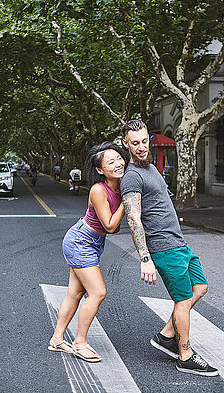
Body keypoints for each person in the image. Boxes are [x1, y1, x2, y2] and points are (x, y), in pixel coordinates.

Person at [120, 119, 218, 377]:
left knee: (200, 287)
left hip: (179, 243)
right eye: (135, 143)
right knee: (183, 300)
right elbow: (133, 218)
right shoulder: (131, 177)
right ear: (126, 145)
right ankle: (185, 355)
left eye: (144, 141)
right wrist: (145, 258)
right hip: (164, 248)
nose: (141, 147)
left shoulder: (150, 167)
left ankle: (166, 335)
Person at [48, 142, 127, 363]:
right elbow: (110, 225)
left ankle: (56, 339)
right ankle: (80, 343)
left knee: (74, 293)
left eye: (119, 158)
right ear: (100, 169)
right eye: (110, 162)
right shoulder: (98, 190)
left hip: (92, 242)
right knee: (98, 292)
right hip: (81, 241)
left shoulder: (121, 185)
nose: (118, 163)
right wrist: (128, 200)